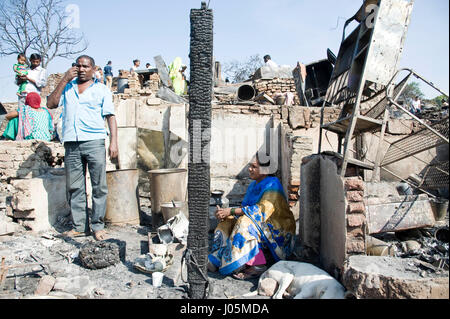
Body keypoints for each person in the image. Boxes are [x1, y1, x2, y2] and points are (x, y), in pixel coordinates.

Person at [47, 55, 118, 241]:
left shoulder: (101, 90)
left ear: (93, 69)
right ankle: (79, 226)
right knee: (74, 186)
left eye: (85, 66)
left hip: (94, 141)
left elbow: (110, 116)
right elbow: (50, 104)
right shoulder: (67, 89)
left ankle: (98, 226)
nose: (81, 69)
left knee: (99, 186)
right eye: (78, 66)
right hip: (71, 142)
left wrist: (114, 142)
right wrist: (64, 79)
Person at [208, 153, 296, 279]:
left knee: (245, 223)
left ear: (265, 170)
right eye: (250, 166)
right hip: (259, 221)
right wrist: (225, 214)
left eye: (254, 167)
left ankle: (258, 265)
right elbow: (245, 207)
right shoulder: (252, 185)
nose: (250, 169)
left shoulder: (273, 185)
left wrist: (232, 211)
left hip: (278, 227)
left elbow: (260, 211)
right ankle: (217, 257)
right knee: (228, 221)